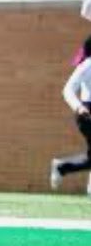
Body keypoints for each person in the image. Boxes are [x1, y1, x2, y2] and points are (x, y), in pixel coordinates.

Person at [51, 36, 91, 195]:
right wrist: (78, 107)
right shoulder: (88, 64)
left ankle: (62, 167)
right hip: (87, 112)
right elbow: (68, 89)